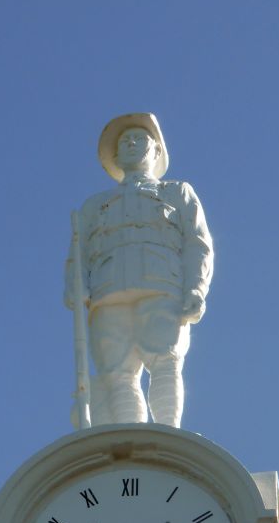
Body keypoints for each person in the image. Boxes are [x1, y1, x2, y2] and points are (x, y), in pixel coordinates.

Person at [65, 112, 213, 427]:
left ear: (157, 151)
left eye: (140, 138)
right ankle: (131, 435)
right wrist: (75, 288)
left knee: (165, 361)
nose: (131, 143)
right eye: (125, 140)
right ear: (117, 155)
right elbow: (78, 255)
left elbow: (198, 244)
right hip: (107, 292)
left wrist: (196, 288)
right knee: (117, 373)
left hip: (162, 285)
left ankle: (168, 431)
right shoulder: (95, 206)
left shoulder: (177, 193)